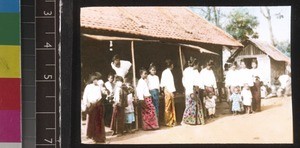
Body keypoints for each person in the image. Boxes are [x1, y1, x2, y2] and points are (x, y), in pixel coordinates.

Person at [81, 74, 106, 143]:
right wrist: (86, 103)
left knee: (99, 121)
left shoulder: (98, 87)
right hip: (91, 106)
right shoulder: (88, 87)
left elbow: (100, 96)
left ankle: (100, 137)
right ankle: (94, 137)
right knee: (93, 122)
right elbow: (85, 96)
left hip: (98, 105)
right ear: (92, 80)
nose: (96, 81)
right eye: (95, 80)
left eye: (97, 80)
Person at [182, 57, 205, 125]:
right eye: (197, 65)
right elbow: (186, 82)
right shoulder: (187, 71)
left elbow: (199, 81)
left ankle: (196, 121)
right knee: (190, 106)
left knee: (197, 105)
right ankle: (186, 121)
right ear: (194, 64)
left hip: (196, 89)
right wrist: (191, 91)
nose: (198, 66)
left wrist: (200, 88)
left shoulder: (196, 71)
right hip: (190, 90)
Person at [160, 59, 177, 127]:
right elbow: (168, 83)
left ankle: (172, 121)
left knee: (170, 106)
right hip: (168, 90)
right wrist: (171, 92)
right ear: (171, 65)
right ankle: (168, 121)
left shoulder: (166, 72)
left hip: (168, 90)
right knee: (168, 106)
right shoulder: (166, 72)